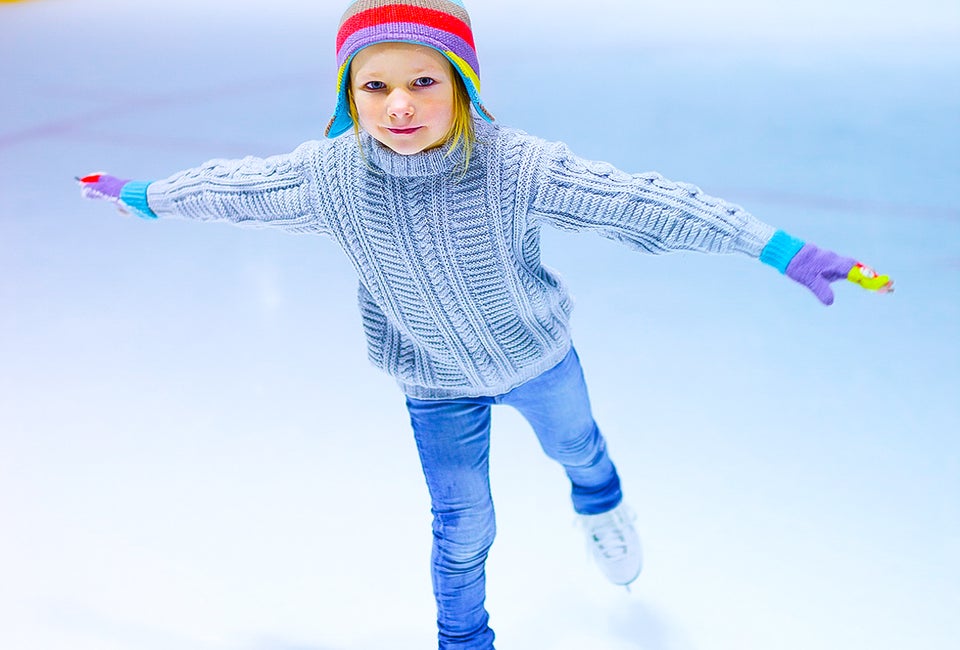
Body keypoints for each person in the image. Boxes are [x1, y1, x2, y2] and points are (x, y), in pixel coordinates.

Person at [77, 1, 893, 647]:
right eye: (375, 86)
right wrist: (147, 195)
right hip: (433, 385)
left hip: (536, 356)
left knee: (578, 448)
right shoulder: (330, 176)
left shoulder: (514, 165)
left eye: (424, 82)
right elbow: (239, 188)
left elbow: (646, 203)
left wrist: (778, 248)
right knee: (463, 526)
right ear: (348, 94)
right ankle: (463, 641)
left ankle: (602, 505)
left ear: (463, 83)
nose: (398, 104)